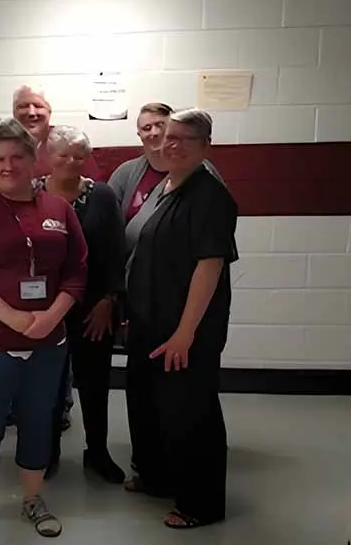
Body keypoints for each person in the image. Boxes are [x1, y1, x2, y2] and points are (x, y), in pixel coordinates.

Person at [0, 118, 88, 543]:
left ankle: (32, 498)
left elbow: (77, 270)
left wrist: (52, 316)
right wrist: (10, 317)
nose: (8, 166)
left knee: (39, 419)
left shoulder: (59, 209)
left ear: (33, 160)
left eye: (17, 158)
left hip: (47, 340)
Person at [122, 108, 237, 529]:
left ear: (206, 146)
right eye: (169, 136)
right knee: (150, 405)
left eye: (185, 139)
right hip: (149, 322)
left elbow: (209, 266)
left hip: (185, 328)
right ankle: (156, 477)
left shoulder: (210, 195)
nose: (173, 144)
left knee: (190, 412)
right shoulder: (166, 186)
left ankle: (199, 504)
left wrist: (185, 333)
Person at [36, 126, 127, 484]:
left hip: (92, 309)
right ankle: (47, 451)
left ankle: (98, 451)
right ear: (48, 157)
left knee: (94, 383)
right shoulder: (32, 194)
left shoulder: (102, 196)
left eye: (78, 155)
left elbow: (116, 252)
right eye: (63, 154)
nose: (71, 162)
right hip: (45, 309)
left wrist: (109, 300)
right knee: (46, 383)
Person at [0, 85, 103, 181]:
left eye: (38, 106)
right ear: (14, 113)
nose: (31, 113)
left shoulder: (68, 140)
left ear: (49, 112)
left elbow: (94, 184)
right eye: (23, 106)